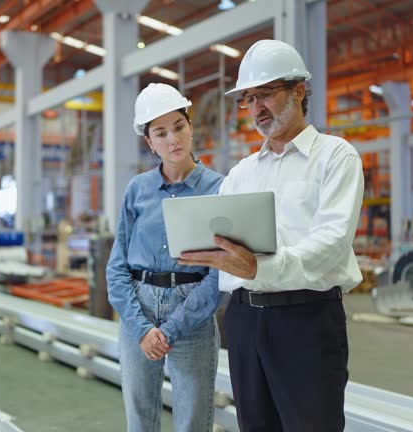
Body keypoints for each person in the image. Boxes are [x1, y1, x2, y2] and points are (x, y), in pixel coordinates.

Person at [178, 39, 364, 431]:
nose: (257, 108)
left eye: (266, 94)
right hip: (244, 321)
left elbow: (331, 242)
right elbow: (219, 239)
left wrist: (261, 266)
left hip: (307, 319)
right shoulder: (242, 173)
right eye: (248, 99)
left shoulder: (336, 157)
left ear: (299, 91)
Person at [106, 83, 225, 432]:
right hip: (138, 311)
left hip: (194, 311)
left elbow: (221, 272)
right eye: (161, 133)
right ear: (149, 141)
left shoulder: (219, 188)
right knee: (140, 419)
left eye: (179, 127)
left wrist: (172, 328)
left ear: (190, 127)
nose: (173, 139)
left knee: (191, 421)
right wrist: (142, 329)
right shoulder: (137, 190)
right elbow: (117, 267)